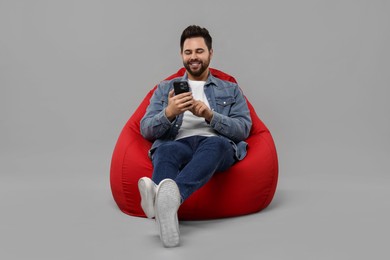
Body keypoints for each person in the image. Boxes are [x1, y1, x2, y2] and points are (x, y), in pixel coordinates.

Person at [138, 25, 252, 247]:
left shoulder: (230, 89)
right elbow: (146, 129)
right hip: (178, 142)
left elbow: (243, 128)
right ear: (182, 55)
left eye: (199, 51)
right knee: (165, 149)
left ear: (210, 53)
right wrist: (169, 113)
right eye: (188, 52)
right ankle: (166, 210)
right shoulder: (164, 89)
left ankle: (164, 199)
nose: (193, 57)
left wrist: (210, 116)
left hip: (214, 145)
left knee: (216, 144)